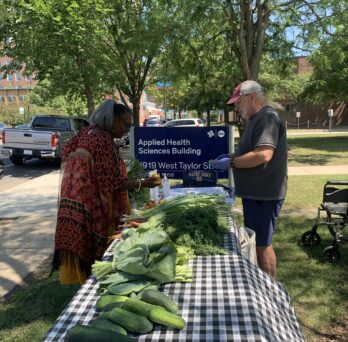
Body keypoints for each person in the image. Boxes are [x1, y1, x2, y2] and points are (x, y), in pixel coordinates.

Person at [54, 100, 161, 285]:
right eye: (125, 124)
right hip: (92, 204)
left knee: (82, 247)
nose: (127, 130)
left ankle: (85, 282)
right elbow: (114, 183)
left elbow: (67, 152)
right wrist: (144, 183)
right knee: (100, 250)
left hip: (73, 202)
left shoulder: (85, 132)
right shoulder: (102, 139)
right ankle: (97, 283)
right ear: (111, 119)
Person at [214, 80, 287, 278]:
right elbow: (250, 152)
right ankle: (264, 284)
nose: (236, 107)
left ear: (251, 97)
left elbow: (263, 155)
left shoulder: (267, 118)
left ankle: (271, 289)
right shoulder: (255, 119)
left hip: (264, 194)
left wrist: (231, 163)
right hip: (255, 193)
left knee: (263, 244)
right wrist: (231, 156)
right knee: (257, 242)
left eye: (238, 102)